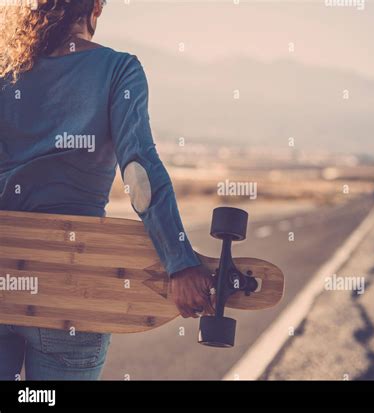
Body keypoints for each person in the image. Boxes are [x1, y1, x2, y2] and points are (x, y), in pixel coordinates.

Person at [0, 0, 214, 380]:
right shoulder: (118, 70)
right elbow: (138, 173)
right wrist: (179, 262)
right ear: (95, 8)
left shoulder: (6, 71)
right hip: (73, 286)